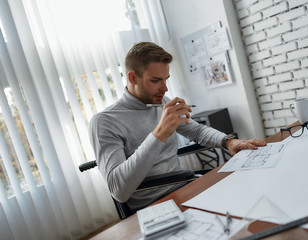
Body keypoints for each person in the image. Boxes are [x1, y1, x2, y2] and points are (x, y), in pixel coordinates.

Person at [89, 42, 266, 213]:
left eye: (166, 79)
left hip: (185, 187)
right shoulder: (104, 122)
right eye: (156, 80)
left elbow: (196, 130)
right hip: (154, 205)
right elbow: (119, 190)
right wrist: (159, 134)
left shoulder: (160, 103)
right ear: (133, 78)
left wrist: (228, 141)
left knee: (250, 197)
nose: (165, 88)